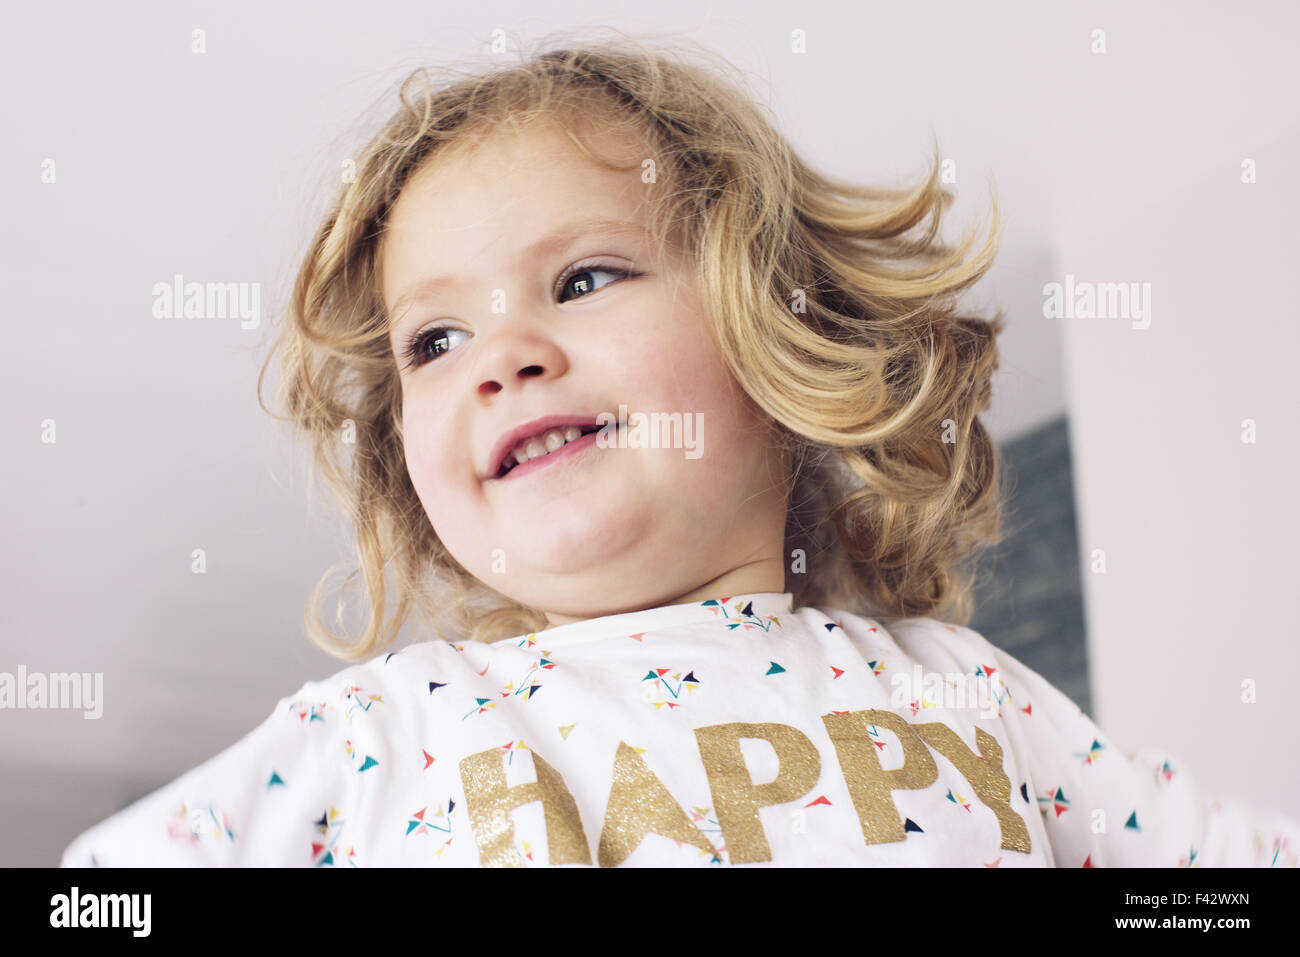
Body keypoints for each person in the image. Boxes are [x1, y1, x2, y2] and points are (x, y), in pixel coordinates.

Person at [60, 38, 1298, 867]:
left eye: (583, 276)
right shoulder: (390, 731)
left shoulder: (966, 692)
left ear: (776, 330)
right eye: (434, 338)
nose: (500, 355)